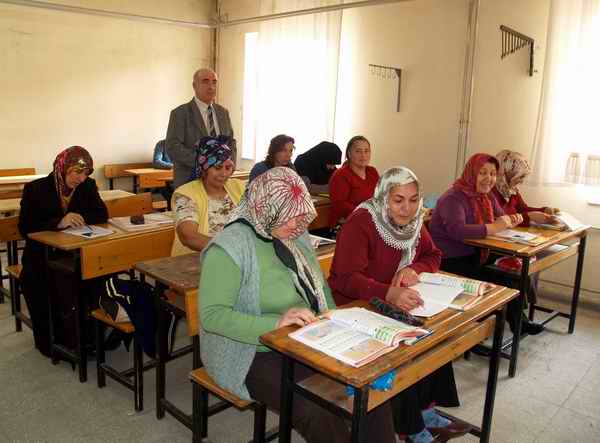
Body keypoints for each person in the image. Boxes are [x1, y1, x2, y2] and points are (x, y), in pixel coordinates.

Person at [328, 167, 470, 443]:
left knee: (433, 337)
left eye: (414, 199)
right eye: (398, 200)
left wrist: (413, 269)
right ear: (383, 197)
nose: (408, 208)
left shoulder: (414, 222)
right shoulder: (362, 222)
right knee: (402, 348)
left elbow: (433, 255)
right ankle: (412, 428)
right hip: (357, 306)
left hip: (394, 300)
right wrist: (388, 292)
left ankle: (426, 412)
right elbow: (344, 279)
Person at [429, 153, 544, 335]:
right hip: (451, 261)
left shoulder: (486, 196)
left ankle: (517, 323)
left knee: (517, 275)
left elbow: (501, 217)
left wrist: (512, 219)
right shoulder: (453, 198)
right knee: (504, 281)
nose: (488, 179)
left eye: (492, 174)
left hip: (476, 253)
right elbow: (458, 231)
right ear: (471, 173)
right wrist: (493, 227)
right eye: (482, 173)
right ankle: (477, 332)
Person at [18, 146, 108, 358]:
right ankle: (57, 342)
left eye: (85, 173)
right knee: (48, 283)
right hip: (41, 256)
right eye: (76, 172)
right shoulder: (35, 188)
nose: (81, 178)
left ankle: (87, 339)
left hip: (75, 251)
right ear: (62, 167)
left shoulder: (88, 186)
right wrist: (58, 222)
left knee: (96, 276)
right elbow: (26, 226)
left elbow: (102, 214)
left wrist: (79, 216)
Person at [171, 136, 245, 256]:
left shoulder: (238, 187)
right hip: (195, 262)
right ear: (204, 169)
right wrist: (229, 250)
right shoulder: (186, 194)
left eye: (228, 167)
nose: (224, 173)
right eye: (217, 167)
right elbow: (188, 236)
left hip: (238, 258)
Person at [166, 68, 235, 188]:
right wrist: (206, 162)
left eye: (214, 82)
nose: (211, 86)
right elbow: (173, 147)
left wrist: (229, 166)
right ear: (194, 85)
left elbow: (231, 142)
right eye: (205, 81)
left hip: (220, 181)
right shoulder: (180, 113)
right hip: (190, 181)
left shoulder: (223, 112)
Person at [492, 149, 560, 226]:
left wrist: (544, 210)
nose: (521, 181)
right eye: (520, 177)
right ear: (506, 173)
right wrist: (529, 216)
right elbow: (503, 219)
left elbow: (522, 209)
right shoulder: (491, 191)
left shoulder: (511, 190)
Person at [328, 135, 379, 228]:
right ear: (349, 153)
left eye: (366, 151)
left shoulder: (372, 172)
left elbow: (380, 197)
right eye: (358, 151)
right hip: (347, 224)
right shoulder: (340, 175)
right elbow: (339, 205)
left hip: (371, 221)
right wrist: (366, 213)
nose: (363, 155)